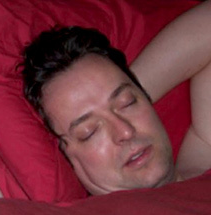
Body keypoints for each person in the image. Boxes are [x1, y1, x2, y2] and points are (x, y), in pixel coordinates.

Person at [22, 1, 211, 195]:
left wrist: (132, 85)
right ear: (68, 161)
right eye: (89, 132)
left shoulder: (201, 168)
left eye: (128, 102)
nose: (125, 131)